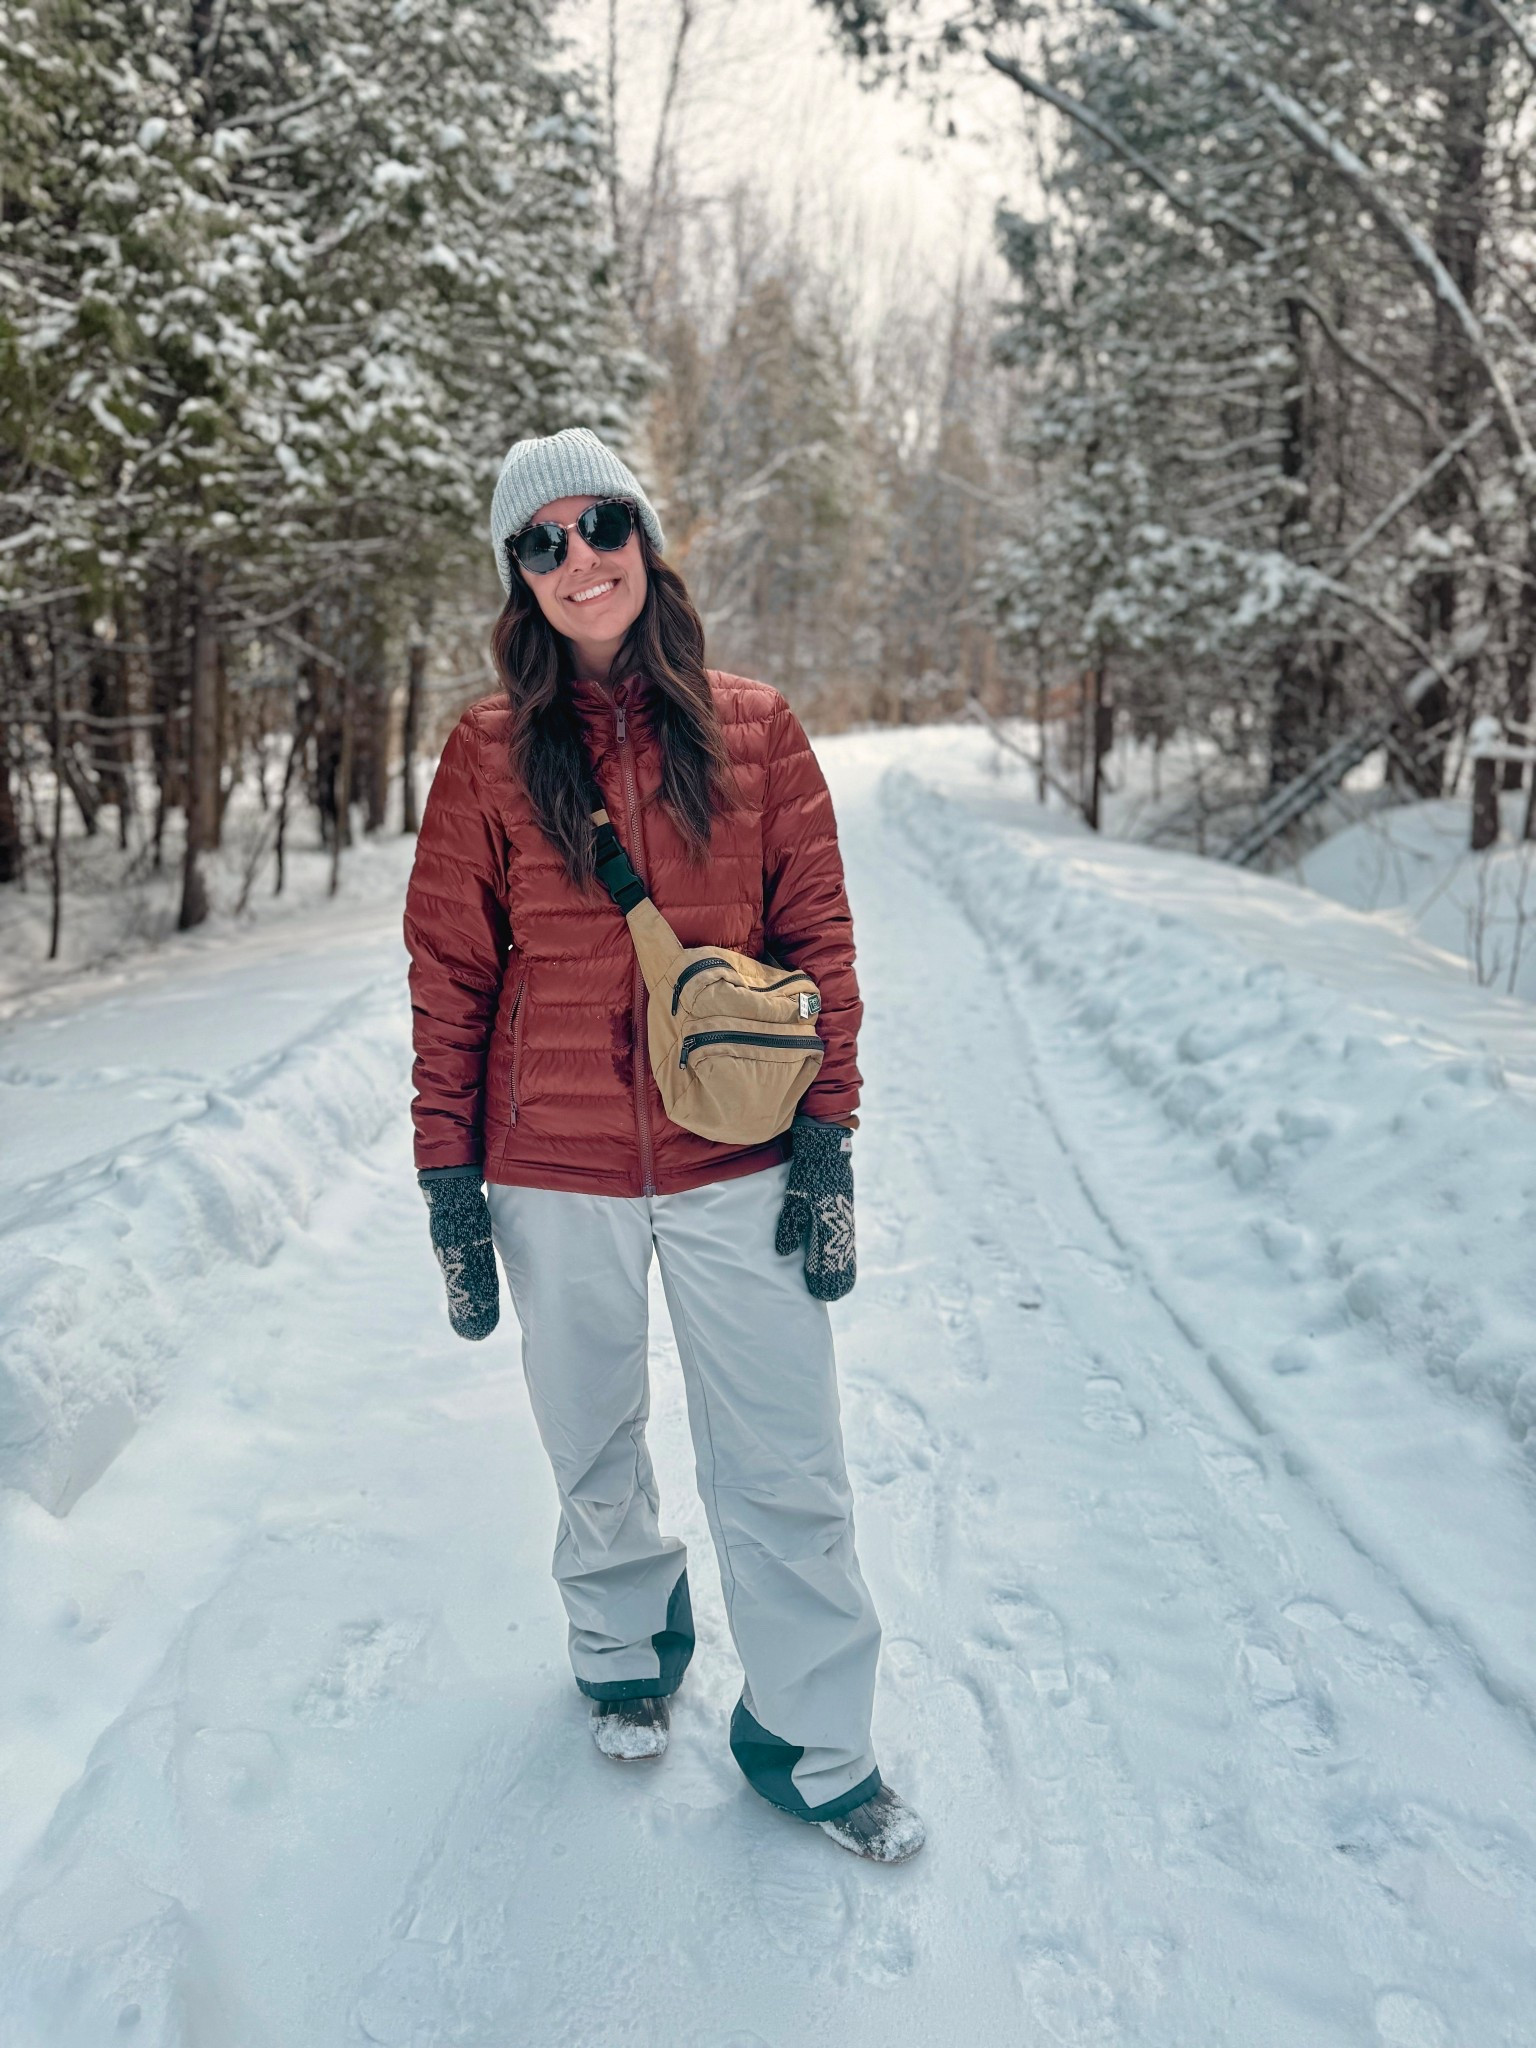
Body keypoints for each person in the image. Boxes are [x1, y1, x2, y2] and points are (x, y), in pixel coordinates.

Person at [403, 426, 925, 1864]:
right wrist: (449, 1178)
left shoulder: (756, 730)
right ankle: (625, 1642)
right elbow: (449, 971)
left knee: (787, 1464)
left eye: (601, 525)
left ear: (646, 536)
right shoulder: (489, 752)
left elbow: (818, 944)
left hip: (736, 1161)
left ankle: (814, 1741)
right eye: (542, 542)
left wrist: (828, 1141)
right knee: (592, 1438)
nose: (580, 560)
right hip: (547, 1167)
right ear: (517, 578)